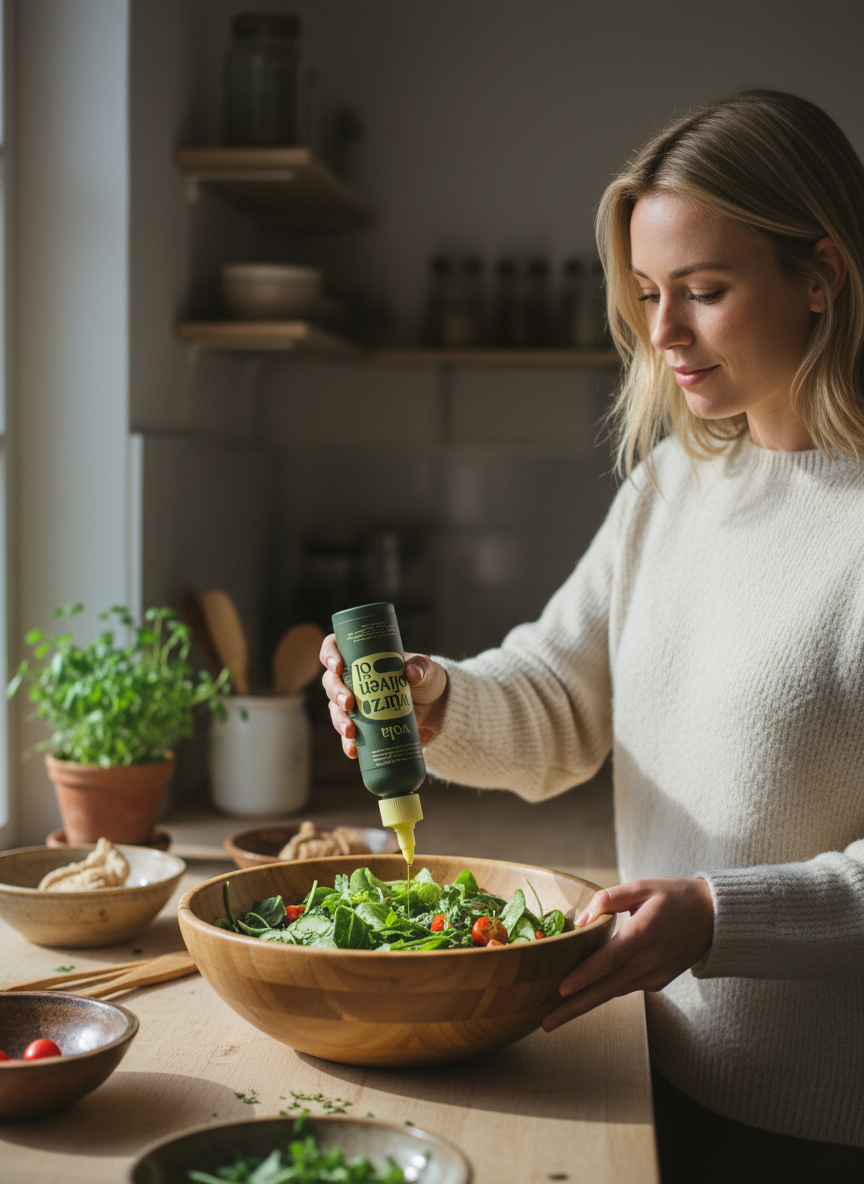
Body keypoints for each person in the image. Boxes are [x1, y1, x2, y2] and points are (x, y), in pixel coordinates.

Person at [321, 89, 864, 1182]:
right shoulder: (675, 481)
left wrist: (716, 915)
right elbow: (560, 698)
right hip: (653, 1063)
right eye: (650, 292)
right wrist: (437, 700)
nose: (662, 334)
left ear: (821, 274)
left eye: (704, 291)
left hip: (823, 1124)